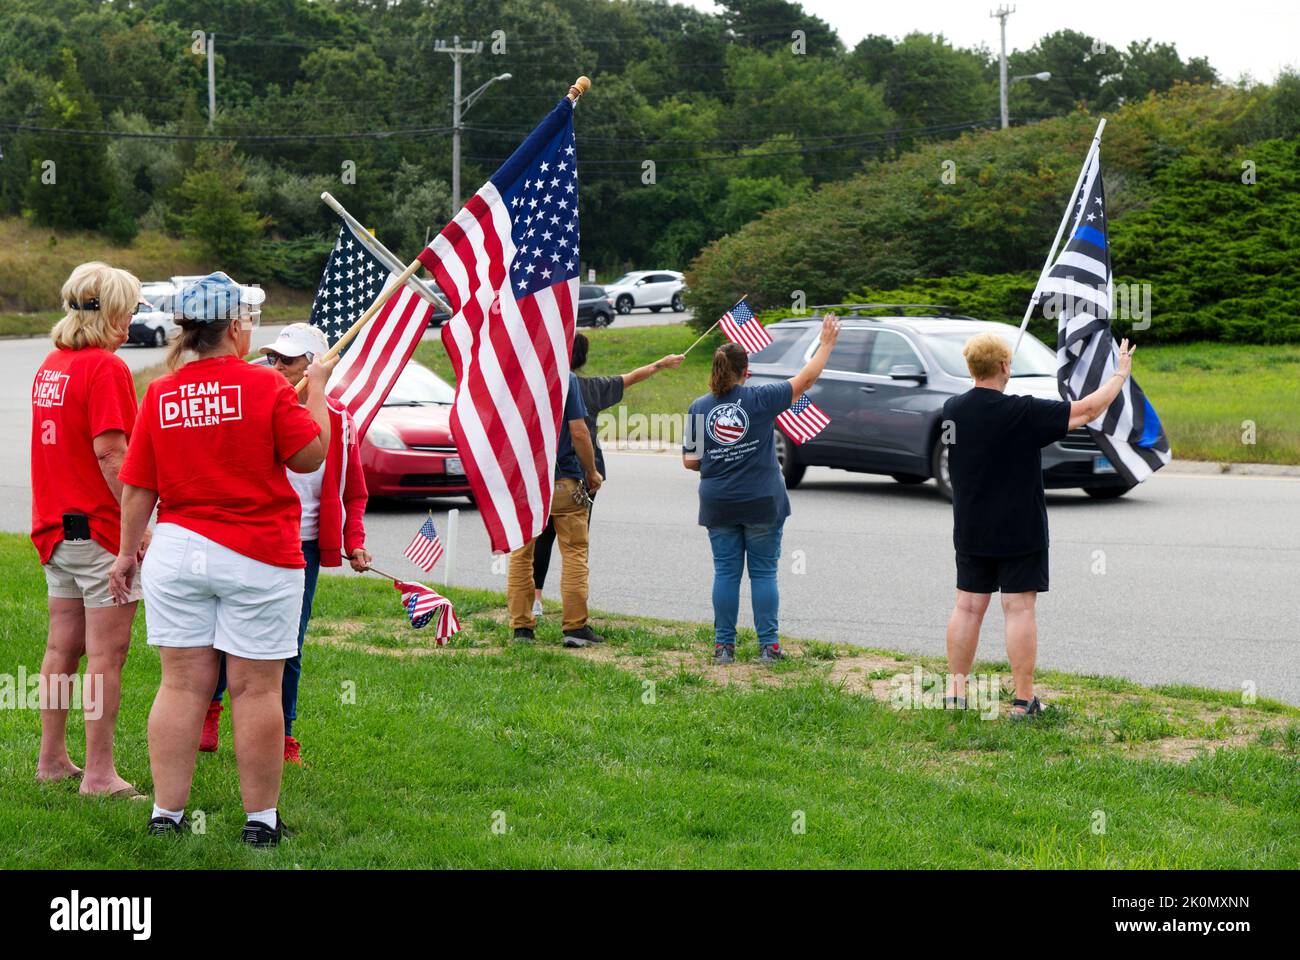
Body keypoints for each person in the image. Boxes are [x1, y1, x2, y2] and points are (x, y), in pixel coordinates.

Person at [109, 272, 332, 847]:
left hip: (179, 553)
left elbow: (138, 488)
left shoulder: (160, 392)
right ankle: (259, 822)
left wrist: (125, 554)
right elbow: (309, 457)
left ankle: (167, 814)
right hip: (258, 553)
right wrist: (320, 390)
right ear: (234, 326)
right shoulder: (266, 387)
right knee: (255, 689)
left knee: (180, 685)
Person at [200, 323, 372, 764]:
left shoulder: (340, 421)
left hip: (303, 548)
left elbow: (353, 490)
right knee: (225, 634)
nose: (275, 367)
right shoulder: (256, 406)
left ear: (314, 368)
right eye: (273, 358)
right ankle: (210, 709)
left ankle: (284, 734)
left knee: (288, 644)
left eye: (287, 360)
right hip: (250, 538)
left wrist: (354, 541)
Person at [941, 331, 1136, 719]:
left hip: (971, 527)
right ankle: (1022, 701)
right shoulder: (1023, 412)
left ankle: (955, 694)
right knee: (1018, 609)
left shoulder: (952, 410)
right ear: (1004, 367)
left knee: (967, 607)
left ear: (970, 367)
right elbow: (1087, 411)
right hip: (1020, 528)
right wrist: (1119, 375)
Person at [30, 262, 147, 799]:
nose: (132, 321)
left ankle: (51, 759)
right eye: (128, 310)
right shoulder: (105, 369)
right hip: (100, 533)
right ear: (111, 315)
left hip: (56, 531)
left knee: (61, 650)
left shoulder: (53, 363)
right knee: (106, 656)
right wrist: (136, 529)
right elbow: (110, 452)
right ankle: (100, 774)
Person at [683, 314, 840, 664]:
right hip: (762, 501)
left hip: (719, 501)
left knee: (725, 572)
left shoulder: (698, 408)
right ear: (745, 371)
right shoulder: (762, 399)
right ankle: (769, 647)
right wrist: (827, 343)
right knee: (764, 573)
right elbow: (808, 378)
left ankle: (724, 647)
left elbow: (690, 462)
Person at [531, 333, 683, 614]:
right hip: (581, 477)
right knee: (576, 545)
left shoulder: (542, 386)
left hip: (544, 473)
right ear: (583, 358)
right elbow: (632, 377)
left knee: (543, 537)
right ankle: (574, 608)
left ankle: (535, 599)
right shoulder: (593, 388)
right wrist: (661, 363)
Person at [507, 369, 603, 647]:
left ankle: (522, 628)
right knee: (573, 552)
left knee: (521, 554)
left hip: (524, 479)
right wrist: (592, 472)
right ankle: (575, 627)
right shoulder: (564, 376)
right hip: (563, 478)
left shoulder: (512, 374)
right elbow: (579, 431)